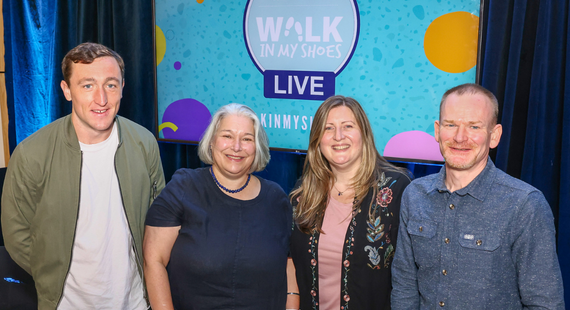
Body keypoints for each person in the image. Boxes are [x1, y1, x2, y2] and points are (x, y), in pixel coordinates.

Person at [1, 42, 165, 309]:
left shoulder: (144, 143)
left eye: (111, 85)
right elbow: (16, 233)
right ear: (67, 91)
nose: (101, 99)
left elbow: (159, 221)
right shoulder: (32, 153)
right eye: (88, 85)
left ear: (122, 87)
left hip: (135, 302)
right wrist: (51, 274)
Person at [391, 83, 565, 309]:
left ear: (494, 136)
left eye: (474, 127)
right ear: (437, 130)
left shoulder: (525, 205)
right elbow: (405, 284)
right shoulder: (415, 194)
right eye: (451, 124)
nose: (460, 137)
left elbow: (545, 303)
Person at [143, 103, 292, 309]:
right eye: (227, 136)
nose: (236, 146)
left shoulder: (277, 199)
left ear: (257, 147)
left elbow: (290, 264)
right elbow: (153, 260)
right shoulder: (183, 188)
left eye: (247, 139)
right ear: (212, 141)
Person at [288, 95, 411, 310]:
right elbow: (291, 258)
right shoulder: (305, 193)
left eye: (348, 126)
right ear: (318, 139)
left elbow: (411, 273)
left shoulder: (395, 188)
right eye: (328, 128)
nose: (338, 136)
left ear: (364, 133)